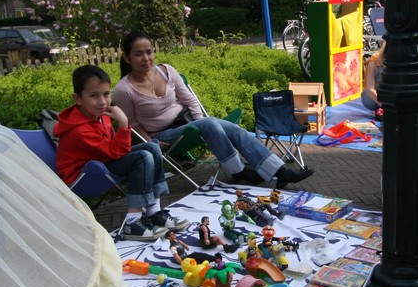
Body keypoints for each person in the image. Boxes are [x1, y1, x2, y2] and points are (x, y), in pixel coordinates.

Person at [111, 30, 314, 188]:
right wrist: (151, 142)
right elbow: (131, 124)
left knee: (236, 131)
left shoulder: (166, 71)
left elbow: (190, 100)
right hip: (163, 136)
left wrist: (200, 123)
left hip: (187, 123)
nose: (146, 58)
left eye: (149, 52)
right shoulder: (123, 90)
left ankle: (281, 172)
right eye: (139, 54)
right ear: (127, 58)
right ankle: (238, 171)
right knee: (211, 124)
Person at [55, 64, 189, 241]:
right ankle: (131, 222)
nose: (102, 102)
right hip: (86, 175)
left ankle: (153, 212)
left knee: (152, 147)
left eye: (106, 94)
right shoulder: (80, 130)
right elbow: (117, 152)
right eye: (94, 96)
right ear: (77, 98)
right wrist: (124, 124)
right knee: (142, 157)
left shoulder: (100, 115)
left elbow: (114, 150)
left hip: (101, 162)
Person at [361, 42, 385, 113]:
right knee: (367, 98)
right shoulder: (373, 61)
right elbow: (370, 89)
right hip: (379, 94)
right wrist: (384, 105)